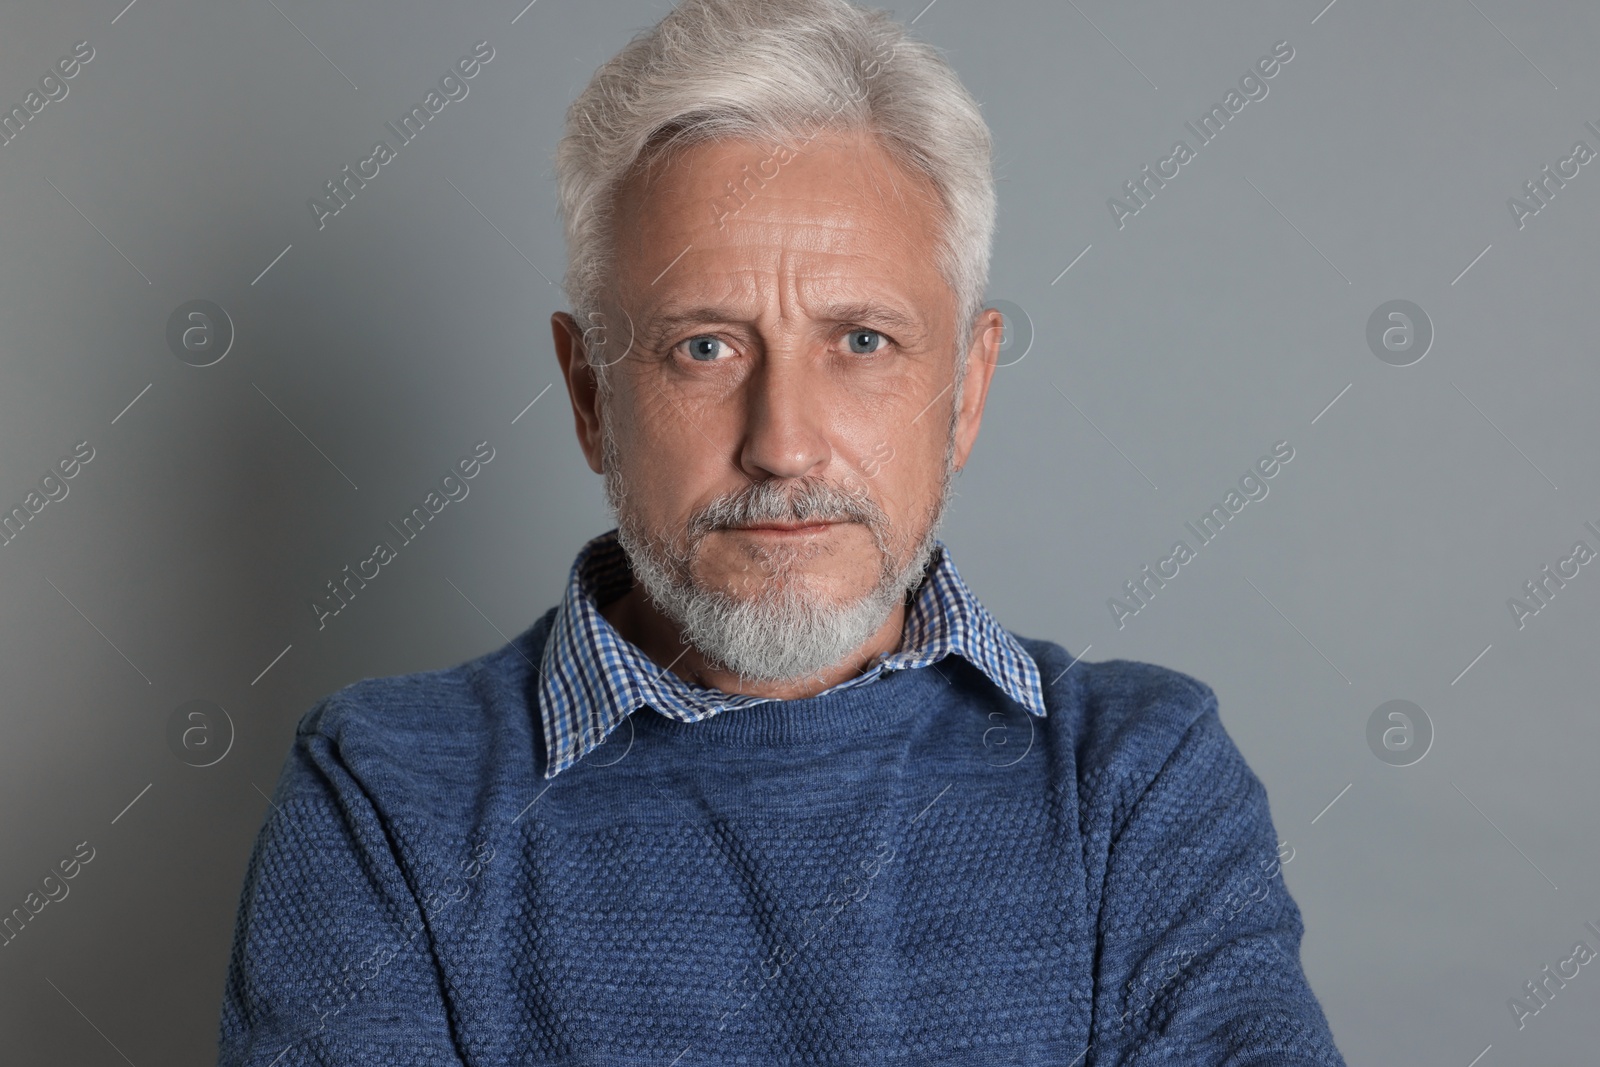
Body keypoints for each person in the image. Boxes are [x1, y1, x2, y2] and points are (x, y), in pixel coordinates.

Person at [217, 0, 1346, 1062]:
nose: (784, 444)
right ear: (589, 394)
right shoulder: (386, 795)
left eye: (860, 341)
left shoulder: (1135, 777)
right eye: (704, 346)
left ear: (966, 391)